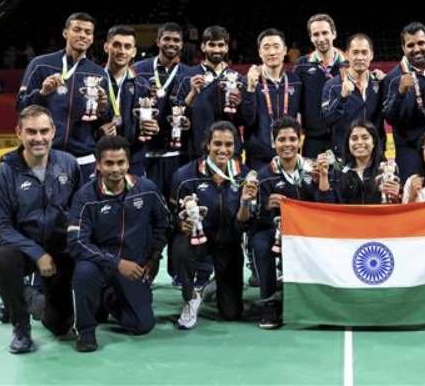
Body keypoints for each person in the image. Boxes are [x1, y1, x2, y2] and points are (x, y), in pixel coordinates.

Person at [0, 105, 81, 353]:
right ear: (18, 133)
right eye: (31, 132)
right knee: (3, 259)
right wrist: (37, 254)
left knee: (59, 326)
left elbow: (80, 210)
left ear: (53, 132)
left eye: (43, 131)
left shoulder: (69, 164)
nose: (38, 138)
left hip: (59, 250)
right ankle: (20, 326)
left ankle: (25, 298)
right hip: (22, 250)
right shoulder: (4, 173)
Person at [68, 136, 168, 352]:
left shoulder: (147, 189)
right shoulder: (85, 197)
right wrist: (117, 263)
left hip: (133, 267)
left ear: (128, 163)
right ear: (98, 165)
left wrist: (154, 257)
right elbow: (76, 242)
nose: (116, 169)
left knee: (142, 325)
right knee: (83, 272)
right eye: (109, 163)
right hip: (98, 264)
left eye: (121, 162)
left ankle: (108, 299)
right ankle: (85, 331)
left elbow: (163, 224)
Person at [170, 121, 254, 329]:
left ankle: (215, 285)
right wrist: (182, 225)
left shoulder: (245, 176)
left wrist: (244, 203)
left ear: (235, 146)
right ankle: (190, 296)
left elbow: (244, 226)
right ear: (207, 144)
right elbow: (171, 219)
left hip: (228, 243)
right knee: (181, 248)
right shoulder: (184, 176)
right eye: (217, 143)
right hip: (196, 240)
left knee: (231, 313)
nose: (223, 150)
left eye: (228, 144)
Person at [16, 12, 109, 180]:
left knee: (81, 206)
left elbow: (102, 123)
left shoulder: (99, 73)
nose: (82, 35)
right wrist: (42, 93)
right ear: (65, 33)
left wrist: (103, 109)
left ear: (92, 38)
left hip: (83, 158)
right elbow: (21, 107)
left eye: (88, 32)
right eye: (77, 29)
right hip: (45, 155)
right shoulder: (40, 64)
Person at [248, 116, 318, 329]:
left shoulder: (312, 170)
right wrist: (267, 207)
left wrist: (321, 181)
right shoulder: (263, 176)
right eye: (281, 139)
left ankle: (314, 299)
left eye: (292, 139)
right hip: (273, 230)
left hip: (307, 230)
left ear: (300, 141)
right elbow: (255, 217)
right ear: (273, 142)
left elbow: (324, 203)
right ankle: (269, 302)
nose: (287, 144)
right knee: (261, 244)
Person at [133, 22, 193, 200]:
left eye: (176, 40)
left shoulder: (189, 74)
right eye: (167, 39)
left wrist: (188, 121)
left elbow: (191, 110)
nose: (171, 44)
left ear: (181, 44)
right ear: (158, 41)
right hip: (144, 151)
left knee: (176, 203)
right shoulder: (139, 69)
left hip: (176, 153)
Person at [384, 22, 425, 181]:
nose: (416, 49)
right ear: (403, 48)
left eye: (421, 43)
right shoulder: (393, 78)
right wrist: (400, 93)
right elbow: (390, 117)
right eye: (410, 45)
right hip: (410, 153)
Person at [241, 29, 302, 171]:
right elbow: (247, 120)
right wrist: (250, 88)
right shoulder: (249, 81)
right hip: (258, 160)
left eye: (276, 46)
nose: (272, 52)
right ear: (259, 52)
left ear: (285, 50)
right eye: (266, 47)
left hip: (289, 156)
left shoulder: (295, 82)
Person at [180, 25, 243, 160]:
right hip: (197, 150)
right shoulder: (187, 76)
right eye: (211, 45)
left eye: (221, 45)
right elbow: (178, 115)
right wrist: (192, 94)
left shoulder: (237, 79)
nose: (216, 50)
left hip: (229, 152)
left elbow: (246, 120)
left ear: (227, 47)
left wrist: (239, 105)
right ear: (203, 47)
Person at [322, 33, 386, 158]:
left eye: (364, 52)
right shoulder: (332, 85)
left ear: (371, 55)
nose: (360, 57)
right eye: (355, 52)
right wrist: (342, 97)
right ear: (347, 55)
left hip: (375, 155)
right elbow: (327, 120)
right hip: (344, 154)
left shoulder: (380, 82)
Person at [294, 13, 347, 158]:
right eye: (316, 34)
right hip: (313, 140)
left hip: (344, 137)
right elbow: (297, 106)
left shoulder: (348, 63)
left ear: (334, 34)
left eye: (325, 33)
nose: (321, 38)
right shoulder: (302, 65)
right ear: (311, 37)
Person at [100, 25, 151, 177]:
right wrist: (97, 131)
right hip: (101, 158)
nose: (122, 51)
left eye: (127, 46)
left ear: (134, 51)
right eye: (116, 45)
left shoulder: (143, 85)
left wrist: (151, 127)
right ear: (106, 47)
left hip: (134, 159)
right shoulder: (93, 80)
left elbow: (148, 120)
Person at [316, 120, 400, 205]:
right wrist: (323, 175)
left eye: (365, 137)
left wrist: (396, 197)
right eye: (354, 138)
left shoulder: (387, 170)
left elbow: (396, 207)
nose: (359, 142)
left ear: (374, 142)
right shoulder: (338, 172)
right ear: (348, 143)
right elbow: (325, 207)